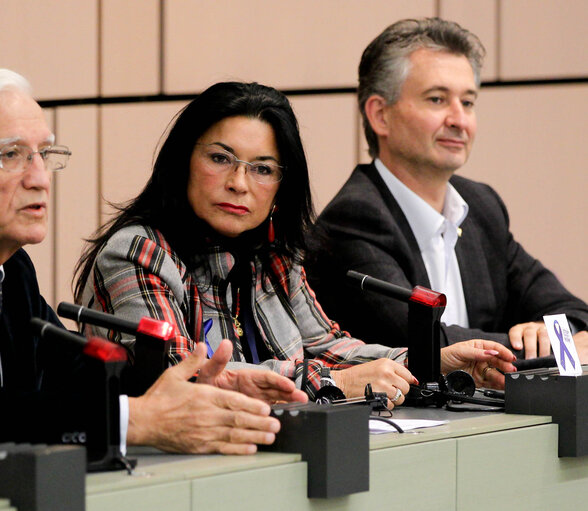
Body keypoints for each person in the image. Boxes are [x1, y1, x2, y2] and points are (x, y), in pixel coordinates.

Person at [0, 69, 306, 455]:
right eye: (12, 156)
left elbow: (71, 371)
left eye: (44, 155)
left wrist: (184, 385)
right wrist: (134, 421)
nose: (40, 179)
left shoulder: (6, 265)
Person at [74, 81, 516, 406]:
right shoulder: (138, 253)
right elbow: (179, 378)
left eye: (263, 169)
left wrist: (431, 360)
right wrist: (336, 384)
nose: (239, 183)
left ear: (283, 186)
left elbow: (328, 345)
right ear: (182, 162)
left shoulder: (274, 257)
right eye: (220, 159)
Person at [305, 18, 588, 361]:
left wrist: (549, 332)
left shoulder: (481, 207)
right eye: (438, 99)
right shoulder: (354, 218)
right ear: (380, 115)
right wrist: (557, 347)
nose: (459, 120)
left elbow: (571, 310)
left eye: (467, 103)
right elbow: (430, 342)